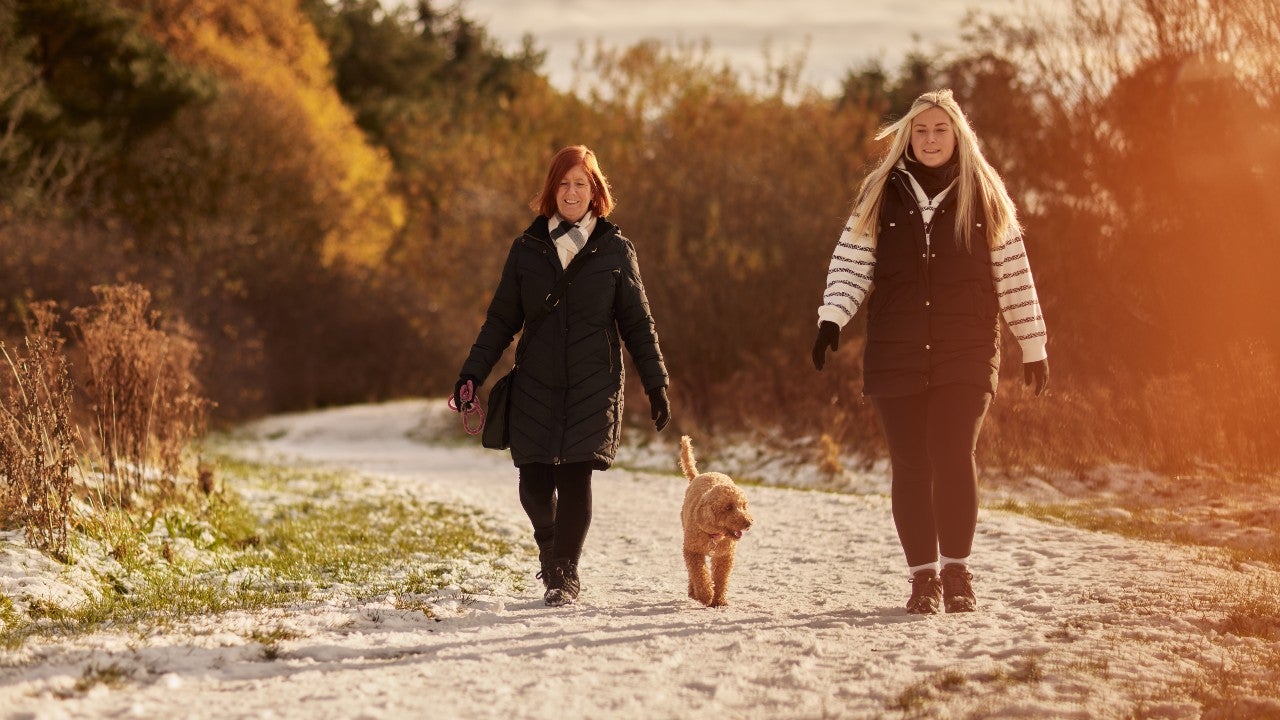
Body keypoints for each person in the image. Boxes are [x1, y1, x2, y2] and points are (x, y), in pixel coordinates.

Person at [810, 89, 1049, 614]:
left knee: (952, 452)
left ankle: (957, 571)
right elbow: (851, 262)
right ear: (907, 137)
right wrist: (832, 319)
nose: (931, 139)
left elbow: (1013, 272)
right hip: (896, 350)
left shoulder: (984, 193)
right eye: (921, 130)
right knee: (912, 464)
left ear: (957, 135)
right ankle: (923, 577)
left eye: (941, 129)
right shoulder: (880, 193)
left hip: (965, 348)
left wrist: (1033, 342)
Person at [454, 145, 671, 607]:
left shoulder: (615, 249)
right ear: (551, 191)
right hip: (535, 379)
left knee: (575, 477)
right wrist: (472, 373)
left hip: (594, 381)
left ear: (596, 192)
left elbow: (637, 323)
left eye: (581, 183)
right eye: (564, 183)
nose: (572, 192)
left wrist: (656, 383)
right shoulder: (527, 249)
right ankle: (550, 547)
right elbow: (499, 321)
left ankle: (564, 575)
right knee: (532, 479)